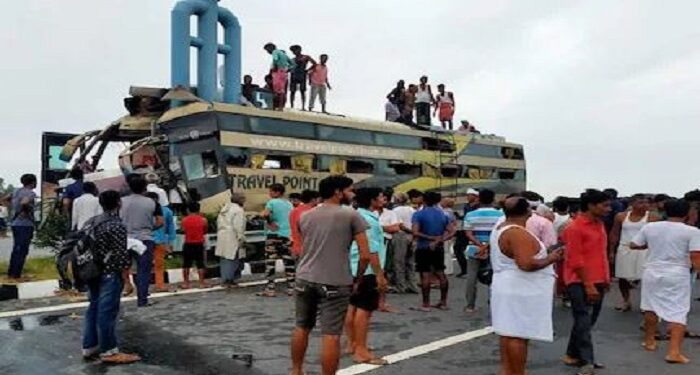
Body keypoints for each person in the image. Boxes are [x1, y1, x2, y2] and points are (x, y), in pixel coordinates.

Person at [291, 175, 376, 375]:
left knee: (301, 327)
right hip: (335, 281)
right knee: (331, 335)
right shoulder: (351, 215)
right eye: (349, 189)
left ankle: (296, 371)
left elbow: (307, 245)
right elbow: (365, 255)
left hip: (304, 277)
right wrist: (358, 278)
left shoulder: (306, 215)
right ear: (338, 192)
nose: (352, 194)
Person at [491, 197, 562, 375]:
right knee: (518, 335)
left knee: (508, 333)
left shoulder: (501, 227)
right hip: (520, 289)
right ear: (529, 212)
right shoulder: (517, 233)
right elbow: (526, 264)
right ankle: (517, 372)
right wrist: (551, 258)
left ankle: (509, 370)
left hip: (508, 286)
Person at [630, 199, 700, 364]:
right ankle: (673, 352)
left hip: (652, 270)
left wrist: (652, 246)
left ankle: (649, 341)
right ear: (686, 213)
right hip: (677, 273)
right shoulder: (692, 231)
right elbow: (695, 256)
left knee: (650, 306)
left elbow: (634, 244)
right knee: (678, 311)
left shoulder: (650, 227)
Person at [81, 190, 141, 364]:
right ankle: (109, 351)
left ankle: (89, 346)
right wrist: (127, 281)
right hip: (109, 273)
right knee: (107, 312)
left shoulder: (92, 222)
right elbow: (121, 256)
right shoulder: (116, 225)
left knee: (93, 308)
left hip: (91, 272)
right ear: (118, 203)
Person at [561, 189, 611, 375]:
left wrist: (605, 279)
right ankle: (587, 360)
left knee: (588, 320)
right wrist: (588, 284)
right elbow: (575, 260)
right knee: (583, 318)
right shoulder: (574, 228)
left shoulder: (599, 225)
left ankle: (572, 354)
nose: (608, 209)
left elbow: (601, 254)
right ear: (591, 205)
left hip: (598, 278)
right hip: (579, 280)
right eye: (604, 205)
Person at [344, 188, 390, 365]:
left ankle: (352, 343)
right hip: (367, 269)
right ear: (372, 200)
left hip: (353, 266)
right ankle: (361, 351)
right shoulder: (367, 219)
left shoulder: (356, 215)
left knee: (352, 307)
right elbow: (371, 250)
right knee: (365, 310)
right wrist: (380, 274)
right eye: (380, 196)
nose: (383, 198)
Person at [120, 174, 163, 306]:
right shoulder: (152, 202)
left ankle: (124, 288)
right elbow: (160, 221)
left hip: (124, 239)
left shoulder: (121, 202)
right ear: (145, 187)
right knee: (144, 270)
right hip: (145, 239)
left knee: (122, 267)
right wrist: (149, 227)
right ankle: (142, 299)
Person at [608, 194, 656, 312]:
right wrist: (611, 251)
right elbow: (614, 234)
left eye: (646, 202)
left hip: (645, 250)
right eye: (641, 202)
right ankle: (626, 300)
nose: (644, 205)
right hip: (625, 249)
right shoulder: (621, 216)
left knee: (646, 278)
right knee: (623, 277)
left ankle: (646, 304)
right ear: (632, 204)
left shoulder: (653, 217)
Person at [463, 189, 504, 313]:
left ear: (478, 199)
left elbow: (468, 234)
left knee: (471, 277)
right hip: (494, 249)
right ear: (493, 199)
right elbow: (500, 233)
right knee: (495, 276)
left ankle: (470, 305)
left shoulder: (470, 215)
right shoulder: (501, 216)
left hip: (474, 248)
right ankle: (494, 304)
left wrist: (479, 245)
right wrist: (487, 245)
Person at [412, 191, 452, 311]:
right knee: (441, 273)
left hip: (423, 247)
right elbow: (452, 230)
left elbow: (415, 232)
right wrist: (440, 239)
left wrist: (430, 238)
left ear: (424, 200)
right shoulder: (443, 215)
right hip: (438, 247)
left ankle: (426, 304)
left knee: (425, 274)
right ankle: (443, 302)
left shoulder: (418, 214)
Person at [260, 183, 294, 297]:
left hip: (273, 235)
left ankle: (270, 288)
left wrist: (270, 222)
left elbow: (265, 214)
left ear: (277, 192)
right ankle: (291, 287)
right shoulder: (289, 204)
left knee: (270, 262)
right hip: (287, 235)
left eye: (271, 191)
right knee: (288, 262)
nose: (270, 194)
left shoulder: (272, 202)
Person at [7, 174, 37, 280]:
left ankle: (11, 273)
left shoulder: (16, 191)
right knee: (22, 250)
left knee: (16, 249)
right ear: (33, 182)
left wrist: (13, 209)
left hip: (15, 223)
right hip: (25, 224)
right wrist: (25, 211)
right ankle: (16, 274)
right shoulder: (31, 193)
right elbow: (24, 202)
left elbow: (7, 198)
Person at [145, 192, 176, 293]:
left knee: (159, 264)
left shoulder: (166, 211)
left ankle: (160, 284)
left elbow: (171, 228)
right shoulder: (143, 211)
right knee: (145, 265)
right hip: (146, 240)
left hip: (159, 240)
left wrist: (170, 241)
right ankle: (146, 286)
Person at [216, 193, 247, 287]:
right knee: (233, 257)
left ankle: (225, 278)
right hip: (232, 235)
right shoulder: (238, 210)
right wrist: (241, 237)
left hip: (222, 235)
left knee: (225, 258)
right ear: (240, 200)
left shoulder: (225, 208)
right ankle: (229, 280)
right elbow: (239, 225)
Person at [391, 192, 419, 294]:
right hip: (411, 236)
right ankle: (412, 285)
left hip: (400, 235)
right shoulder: (412, 209)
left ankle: (401, 285)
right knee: (410, 262)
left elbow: (400, 225)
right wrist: (413, 234)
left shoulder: (395, 210)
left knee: (399, 262)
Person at [377, 194, 400, 312]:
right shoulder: (368, 213)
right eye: (381, 198)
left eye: (385, 199)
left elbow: (396, 228)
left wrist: (378, 227)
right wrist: (386, 228)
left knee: (384, 271)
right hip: (374, 243)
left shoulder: (391, 213)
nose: (383, 201)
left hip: (386, 243)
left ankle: (381, 302)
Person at [180, 202, 209, 289]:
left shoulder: (184, 220)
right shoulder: (203, 220)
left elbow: (182, 230)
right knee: (200, 263)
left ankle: (186, 283)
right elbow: (205, 230)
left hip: (188, 243)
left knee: (186, 264)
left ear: (188, 210)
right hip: (199, 243)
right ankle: (201, 282)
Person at [264, 42, 295, 110]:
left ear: (271, 48)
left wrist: (275, 67)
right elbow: (293, 64)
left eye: (267, 50)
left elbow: (275, 60)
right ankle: (279, 106)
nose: (268, 52)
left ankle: (277, 106)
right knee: (281, 90)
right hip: (283, 73)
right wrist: (288, 69)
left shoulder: (275, 52)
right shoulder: (284, 55)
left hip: (278, 72)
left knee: (277, 91)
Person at [289, 190, 320, 258]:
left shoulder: (294, 211)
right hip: (309, 249)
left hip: (296, 246)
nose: (319, 201)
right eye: (318, 199)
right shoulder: (312, 212)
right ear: (313, 199)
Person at [289, 45, 316, 110]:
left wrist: (307, 70)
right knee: (292, 91)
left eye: (295, 50)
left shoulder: (306, 57)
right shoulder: (292, 59)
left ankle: (303, 106)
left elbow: (314, 63)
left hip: (302, 75)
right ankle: (292, 106)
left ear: (299, 50)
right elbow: (289, 67)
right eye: (293, 51)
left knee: (302, 91)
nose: (294, 52)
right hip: (294, 75)